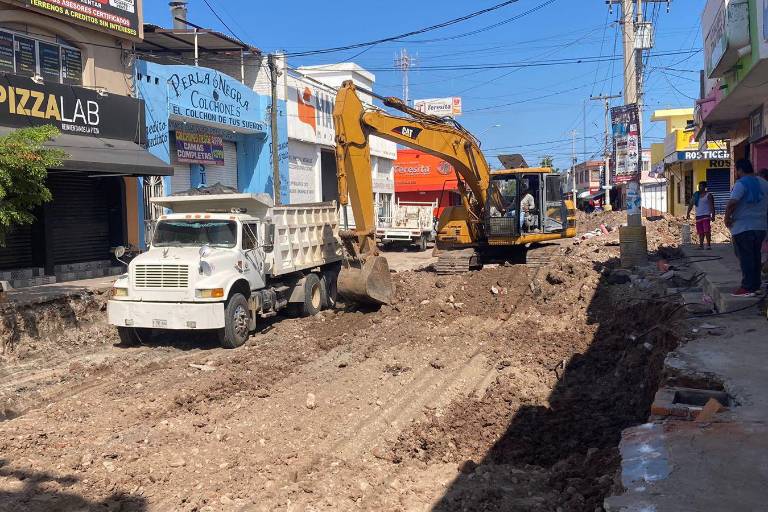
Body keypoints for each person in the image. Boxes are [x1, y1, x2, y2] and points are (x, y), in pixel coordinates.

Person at [724, 159, 768, 297]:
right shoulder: (764, 183)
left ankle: (747, 287)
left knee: (745, 257)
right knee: (755, 256)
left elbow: (732, 203)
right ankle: (755, 286)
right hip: (760, 227)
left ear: (740, 170)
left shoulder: (741, 184)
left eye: (736, 170)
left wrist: (726, 218)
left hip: (743, 227)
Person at [686, 181, 716, 249]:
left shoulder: (708, 195)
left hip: (706, 215)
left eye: (701, 186)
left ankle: (708, 245)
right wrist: (688, 213)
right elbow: (691, 204)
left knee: (707, 230)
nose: (700, 187)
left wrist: (713, 215)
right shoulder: (696, 195)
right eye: (699, 186)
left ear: (705, 187)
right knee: (700, 232)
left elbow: (712, 206)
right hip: (698, 216)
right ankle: (701, 245)